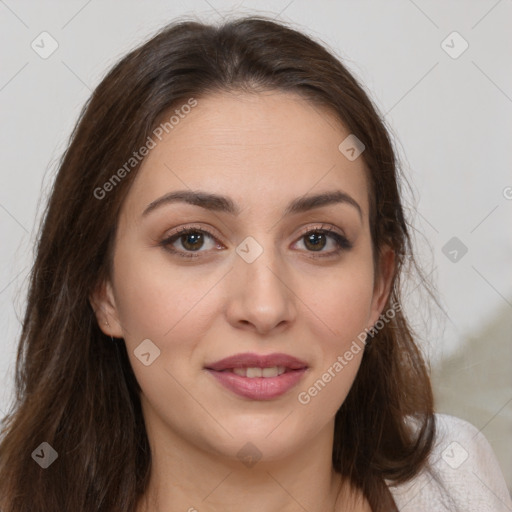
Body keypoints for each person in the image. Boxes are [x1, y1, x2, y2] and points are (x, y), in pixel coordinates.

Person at [0, 15, 510, 512]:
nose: (265, 307)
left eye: (316, 240)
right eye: (193, 240)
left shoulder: (454, 479)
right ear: (103, 289)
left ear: (381, 285)